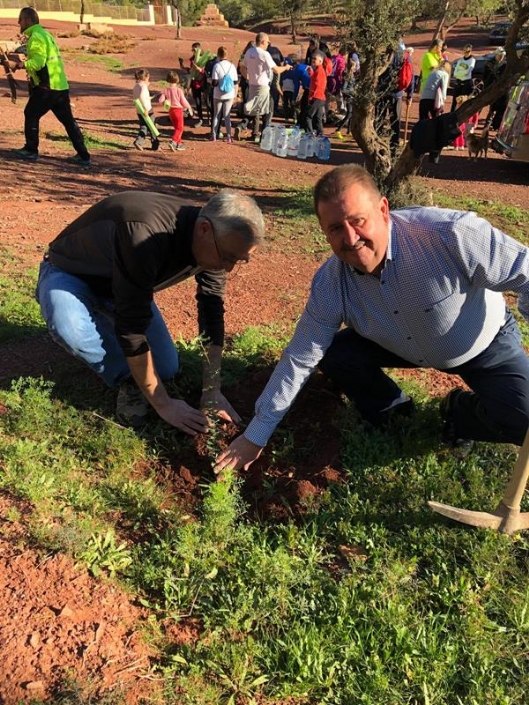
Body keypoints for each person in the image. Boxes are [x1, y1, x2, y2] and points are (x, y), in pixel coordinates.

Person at [215, 165, 529, 475]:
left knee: (525, 418)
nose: (350, 238)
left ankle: (458, 412)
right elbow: (300, 357)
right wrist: (256, 434)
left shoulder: (450, 235)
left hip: (481, 342)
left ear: (383, 209)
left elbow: (525, 274)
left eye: (358, 220)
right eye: (336, 228)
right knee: (336, 354)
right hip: (396, 342)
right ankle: (394, 411)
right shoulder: (331, 283)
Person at [36, 190, 265, 431]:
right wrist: (163, 403)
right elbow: (132, 328)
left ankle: (129, 362)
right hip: (71, 273)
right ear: (204, 229)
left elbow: (212, 314)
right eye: (228, 257)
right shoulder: (145, 233)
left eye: (238, 261)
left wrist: (212, 391)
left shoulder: (216, 241)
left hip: (124, 286)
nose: (228, 269)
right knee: (69, 326)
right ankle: (127, 378)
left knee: (166, 368)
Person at [11, 6, 90, 166]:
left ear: (28, 20)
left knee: (31, 113)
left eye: (20, 19)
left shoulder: (36, 37)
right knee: (68, 120)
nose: (18, 22)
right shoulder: (45, 34)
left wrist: (21, 65)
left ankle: (31, 150)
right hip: (60, 85)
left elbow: (39, 63)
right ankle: (83, 155)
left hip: (47, 87)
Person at [235, 32, 292, 142]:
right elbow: (276, 70)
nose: (268, 44)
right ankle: (263, 136)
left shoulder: (249, 52)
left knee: (255, 108)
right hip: (263, 86)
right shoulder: (264, 54)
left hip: (252, 85)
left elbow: (242, 67)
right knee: (267, 110)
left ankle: (242, 126)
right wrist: (286, 67)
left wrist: (248, 77)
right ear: (262, 42)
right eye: (267, 42)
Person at [158, 70, 193, 151]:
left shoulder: (165, 90)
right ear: (177, 80)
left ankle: (179, 144)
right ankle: (173, 141)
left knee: (177, 128)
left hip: (170, 111)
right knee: (180, 128)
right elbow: (183, 101)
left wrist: (165, 104)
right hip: (178, 110)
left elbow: (160, 100)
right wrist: (189, 107)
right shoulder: (179, 90)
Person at [211, 45, 238, 142]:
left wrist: (209, 81)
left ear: (218, 54)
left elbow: (215, 82)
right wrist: (235, 95)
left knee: (216, 115)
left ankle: (214, 135)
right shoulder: (232, 66)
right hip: (230, 94)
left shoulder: (217, 66)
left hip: (218, 94)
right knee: (227, 116)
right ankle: (229, 137)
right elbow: (235, 82)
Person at [132, 69, 160, 151]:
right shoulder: (143, 87)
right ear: (146, 77)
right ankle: (155, 145)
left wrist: (150, 97)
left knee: (143, 127)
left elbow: (137, 98)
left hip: (139, 110)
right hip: (147, 111)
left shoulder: (136, 86)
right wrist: (147, 109)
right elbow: (143, 98)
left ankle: (138, 141)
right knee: (152, 127)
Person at [301, 50, 327, 136]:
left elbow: (318, 85)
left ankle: (310, 134)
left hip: (317, 97)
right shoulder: (318, 71)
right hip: (321, 98)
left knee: (308, 116)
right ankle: (320, 134)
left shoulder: (319, 71)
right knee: (318, 117)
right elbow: (315, 81)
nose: (313, 60)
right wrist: (311, 73)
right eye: (312, 59)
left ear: (320, 61)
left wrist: (311, 97)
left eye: (315, 59)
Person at [484, 47, 508, 130]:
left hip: (502, 90)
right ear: (495, 55)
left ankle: (496, 125)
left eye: (502, 55)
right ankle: (487, 123)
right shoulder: (490, 64)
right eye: (499, 55)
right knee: (492, 107)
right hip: (492, 88)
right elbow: (485, 76)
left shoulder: (505, 65)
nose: (501, 57)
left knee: (501, 108)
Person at [451, 43, 476, 110]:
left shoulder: (472, 60)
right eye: (465, 51)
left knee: (463, 102)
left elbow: (467, 72)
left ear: (471, 51)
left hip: (466, 83)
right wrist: (461, 73)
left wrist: (460, 72)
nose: (466, 53)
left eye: (468, 51)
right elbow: (455, 73)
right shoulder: (460, 60)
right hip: (458, 82)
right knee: (455, 101)